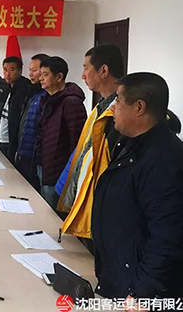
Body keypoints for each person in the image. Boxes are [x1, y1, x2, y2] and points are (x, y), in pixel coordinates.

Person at [92, 72, 183, 300]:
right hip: (121, 278)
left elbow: (167, 239)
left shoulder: (164, 161)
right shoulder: (132, 144)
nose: (112, 107)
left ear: (139, 107)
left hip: (139, 293)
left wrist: (140, 294)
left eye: (118, 100)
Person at [56, 44, 125, 240]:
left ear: (104, 70)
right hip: (85, 203)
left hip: (101, 214)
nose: (83, 75)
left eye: (86, 68)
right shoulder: (100, 107)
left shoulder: (118, 116)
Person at [35, 56, 87, 209]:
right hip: (44, 164)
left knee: (53, 214)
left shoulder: (71, 102)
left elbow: (77, 141)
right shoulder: (48, 99)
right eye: (40, 74)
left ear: (59, 77)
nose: (41, 78)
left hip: (59, 171)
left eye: (45, 74)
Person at [15, 53, 50, 189]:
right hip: (25, 153)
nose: (30, 74)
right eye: (29, 70)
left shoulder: (46, 96)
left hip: (35, 158)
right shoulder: (33, 93)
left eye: (34, 70)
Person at [0, 56, 31, 163]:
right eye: (5, 70)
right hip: (3, 139)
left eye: (12, 70)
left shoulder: (23, 90)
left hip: (12, 142)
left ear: (20, 71)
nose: (7, 74)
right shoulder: (8, 88)